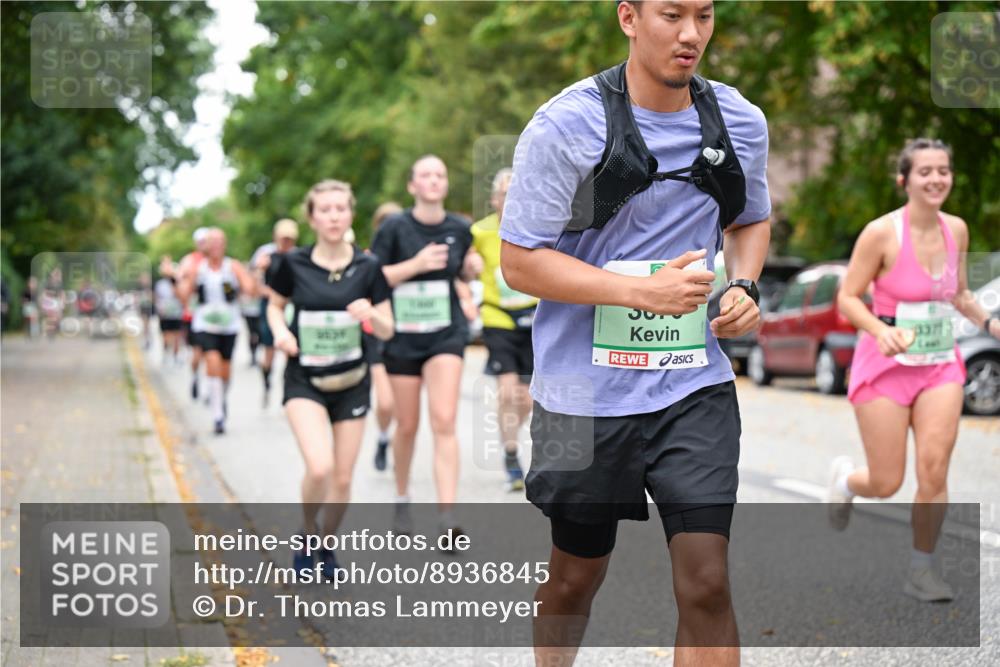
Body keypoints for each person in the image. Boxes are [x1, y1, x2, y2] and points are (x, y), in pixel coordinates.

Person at [500, 2, 772, 663]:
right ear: (628, 16)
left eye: (704, 16)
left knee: (706, 580)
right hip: (582, 395)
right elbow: (518, 260)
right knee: (574, 576)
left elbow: (750, 218)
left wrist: (744, 283)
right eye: (671, 14)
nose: (690, 34)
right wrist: (636, 291)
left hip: (692, 387)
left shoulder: (738, 119)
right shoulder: (566, 124)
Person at [828, 138, 1000, 602]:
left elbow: (958, 292)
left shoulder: (956, 230)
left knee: (934, 469)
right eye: (925, 171)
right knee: (886, 482)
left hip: (939, 362)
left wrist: (990, 323)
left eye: (943, 170)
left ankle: (922, 569)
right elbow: (847, 296)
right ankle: (847, 481)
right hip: (885, 362)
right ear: (905, 180)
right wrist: (878, 331)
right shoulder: (881, 233)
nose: (936, 178)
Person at [266, 180, 394, 575]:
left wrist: (370, 316)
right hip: (304, 378)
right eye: (325, 209)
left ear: (350, 214)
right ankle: (306, 532)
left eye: (341, 208)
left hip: (352, 380)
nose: (334, 215)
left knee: (341, 478)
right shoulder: (293, 264)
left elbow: (389, 328)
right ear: (312, 217)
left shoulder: (368, 267)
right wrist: (281, 333)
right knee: (319, 467)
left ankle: (327, 544)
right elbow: (273, 306)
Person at [370, 155, 480, 539]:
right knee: (407, 426)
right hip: (401, 336)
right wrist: (414, 265)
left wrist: (470, 268)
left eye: (439, 174)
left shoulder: (458, 228)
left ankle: (447, 516)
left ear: (446, 184)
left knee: (444, 420)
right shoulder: (395, 228)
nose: (433, 180)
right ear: (412, 186)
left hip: (445, 333)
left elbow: (461, 269)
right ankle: (402, 496)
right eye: (425, 175)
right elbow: (374, 277)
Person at [472, 168, 537, 491]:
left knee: (527, 399)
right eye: (506, 195)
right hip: (498, 318)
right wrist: (467, 269)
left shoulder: (536, 228)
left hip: (533, 315)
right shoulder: (480, 232)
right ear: (495, 199)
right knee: (508, 390)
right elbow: (464, 265)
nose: (511, 201)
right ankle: (511, 454)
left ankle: (510, 438)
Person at [177, 228, 255, 434]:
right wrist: (180, 278)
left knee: (225, 372)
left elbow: (250, 289)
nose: (216, 245)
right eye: (212, 241)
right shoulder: (198, 268)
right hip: (205, 324)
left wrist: (251, 276)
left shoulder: (233, 266)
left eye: (220, 241)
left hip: (229, 325)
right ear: (205, 245)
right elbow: (184, 295)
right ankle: (218, 415)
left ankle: (221, 397)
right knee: (212, 362)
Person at [368, 202, 403, 471]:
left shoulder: (411, 250)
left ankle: (398, 443)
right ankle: (382, 438)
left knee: (402, 406)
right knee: (385, 400)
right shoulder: (369, 260)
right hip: (377, 334)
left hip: (405, 334)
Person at [251, 219, 300, 407]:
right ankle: (266, 383)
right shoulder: (267, 256)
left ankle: (288, 394)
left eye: (290, 239)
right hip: (271, 306)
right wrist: (259, 270)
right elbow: (256, 289)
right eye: (283, 238)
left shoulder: (298, 257)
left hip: (292, 307)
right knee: (269, 351)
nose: (286, 242)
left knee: (290, 351)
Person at [178, 228, 210, 399]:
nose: (205, 245)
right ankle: (196, 377)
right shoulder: (189, 261)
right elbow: (182, 292)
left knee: (210, 354)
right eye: (202, 241)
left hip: (213, 317)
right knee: (198, 353)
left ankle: (207, 386)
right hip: (193, 315)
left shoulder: (217, 261)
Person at [154, 256, 185, 365]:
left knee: (177, 336)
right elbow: (157, 298)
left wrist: (175, 283)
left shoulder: (177, 283)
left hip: (176, 313)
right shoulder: (160, 284)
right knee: (166, 336)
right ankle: (166, 355)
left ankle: (175, 356)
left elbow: (181, 296)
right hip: (165, 314)